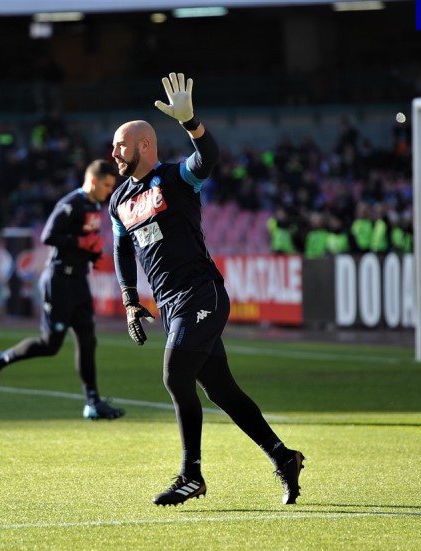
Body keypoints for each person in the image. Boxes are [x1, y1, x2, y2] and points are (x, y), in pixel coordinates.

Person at [108, 73, 304, 506]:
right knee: (221, 390)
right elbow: (122, 249)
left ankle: (191, 475)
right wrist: (129, 300)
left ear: (144, 145)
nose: (114, 152)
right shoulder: (118, 200)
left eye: (120, 145)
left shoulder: (176, 178)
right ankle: (283, 456)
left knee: (175, 375)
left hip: (201, 294)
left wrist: (191, 123)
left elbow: (208, 156)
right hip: (169, 304)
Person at [0, 159, 126, 421]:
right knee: (50, 345)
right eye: (106, 185)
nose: (109, 191)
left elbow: (83, 241)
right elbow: (48, 236)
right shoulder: (71, 203)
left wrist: (91, 254)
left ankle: (93, 402)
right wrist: (82, 243)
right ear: (93, 181)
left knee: (88, 340)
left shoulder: (94, 205)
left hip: (79, 281)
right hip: (58, 281)